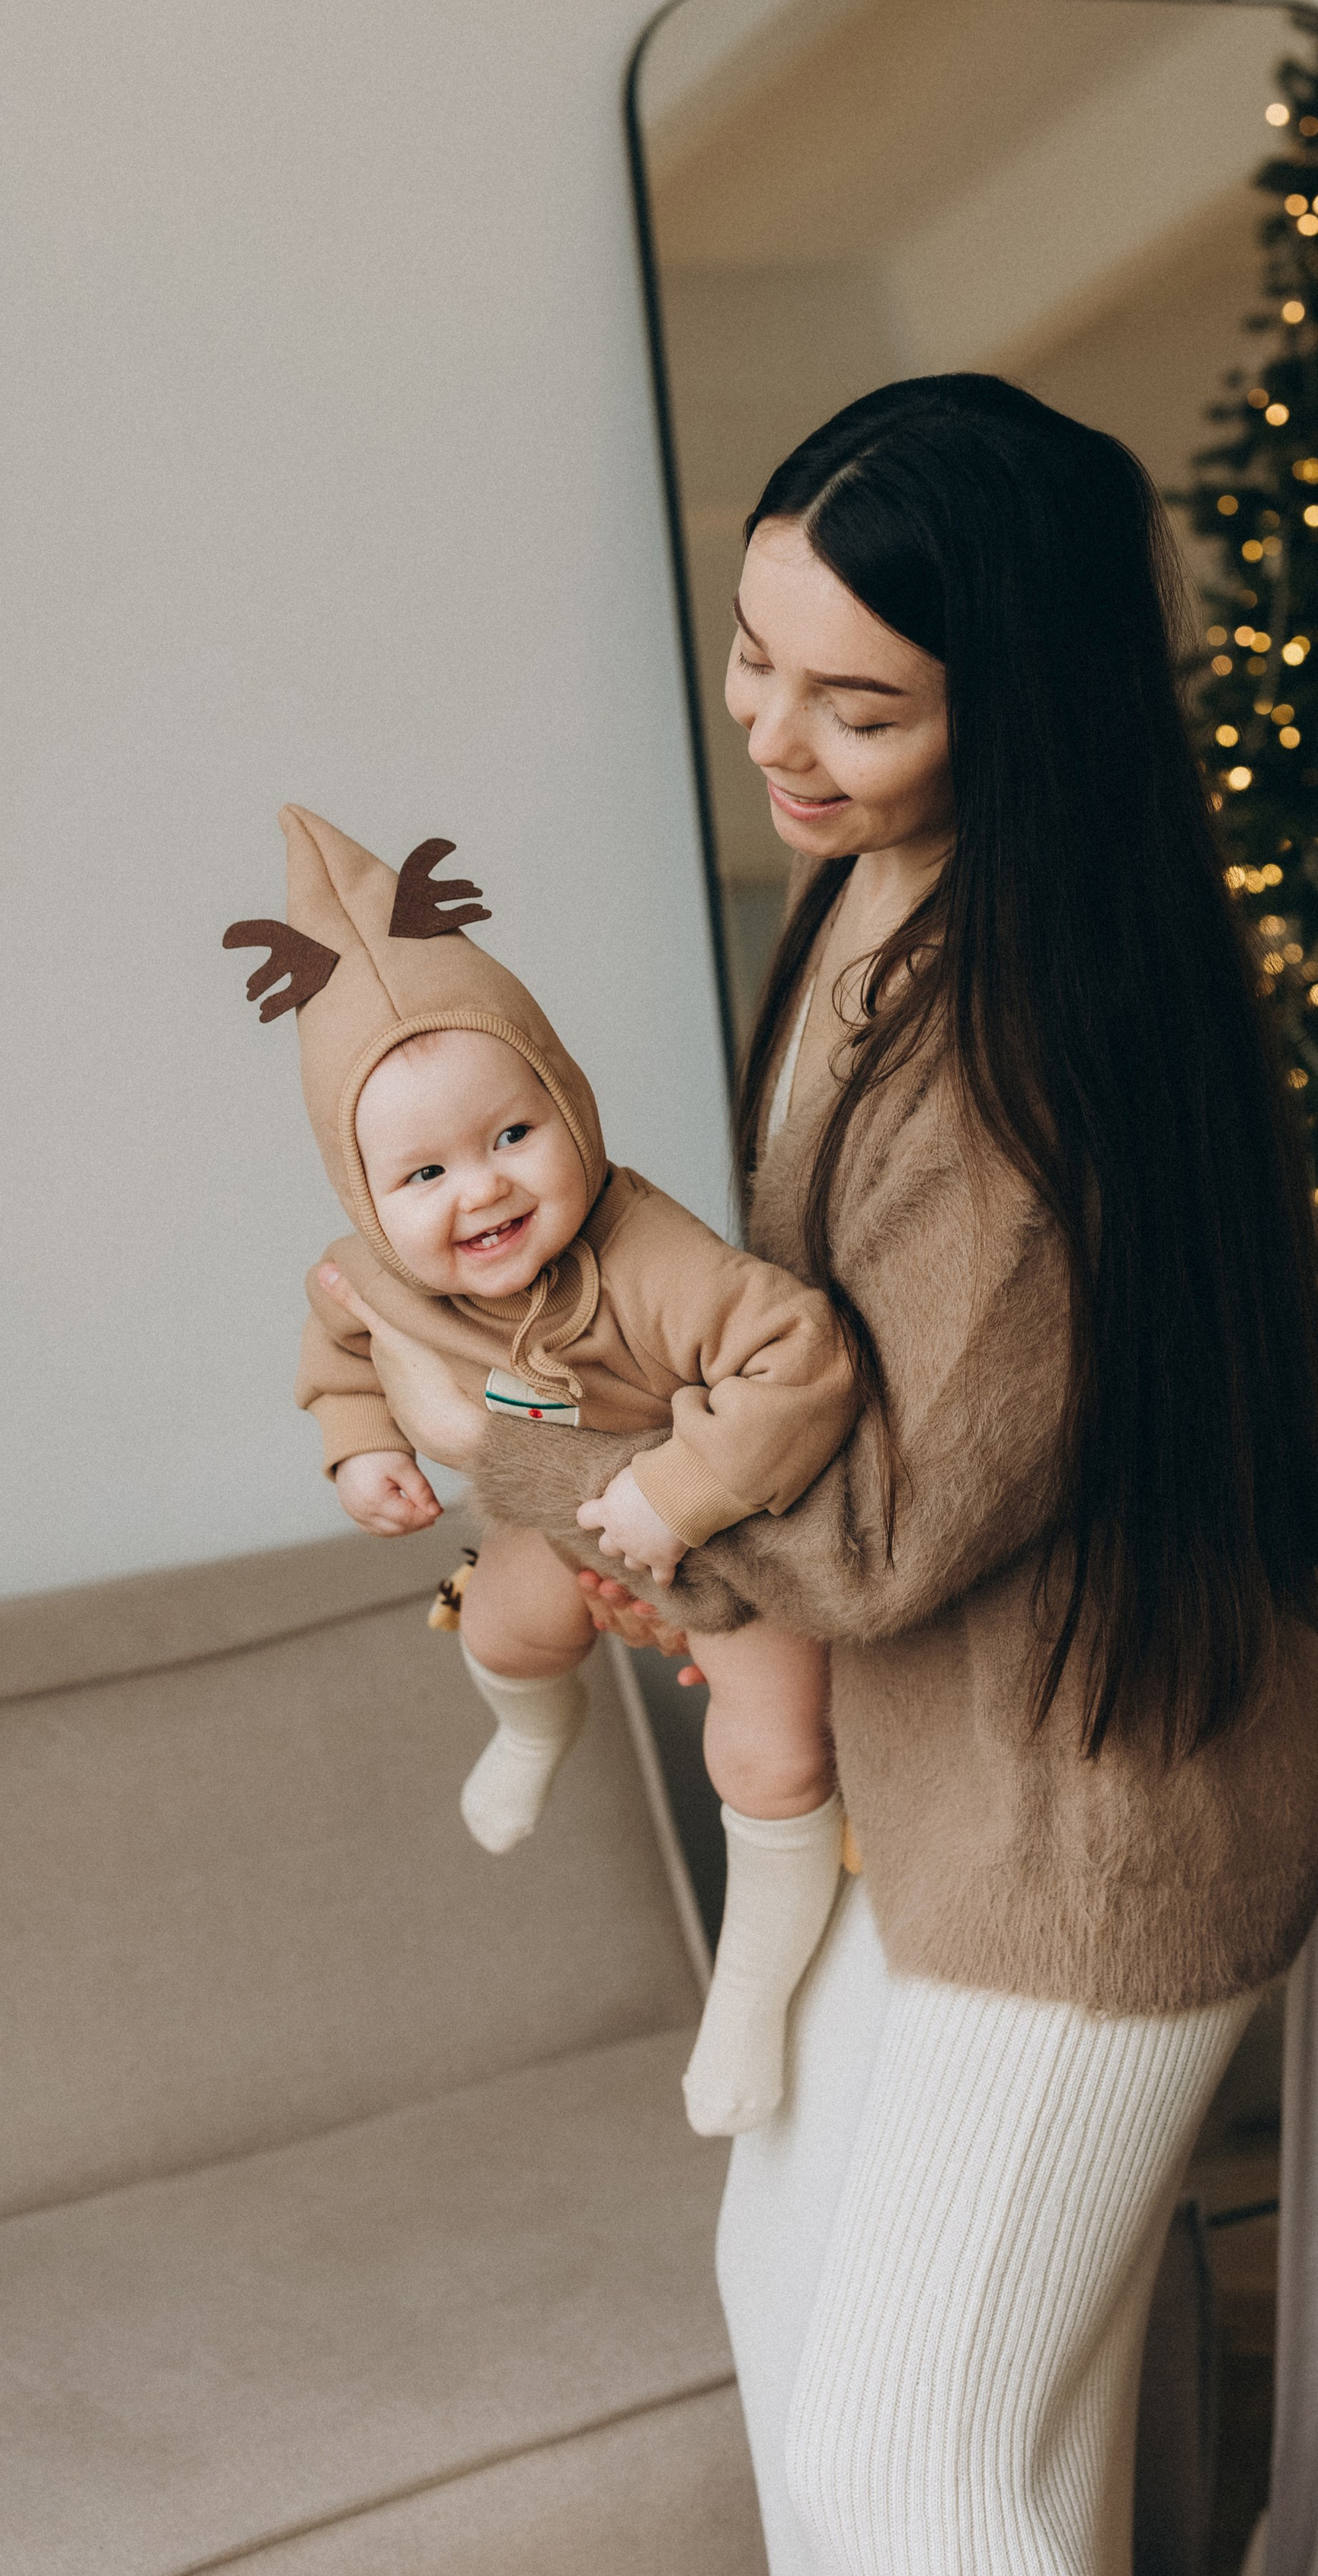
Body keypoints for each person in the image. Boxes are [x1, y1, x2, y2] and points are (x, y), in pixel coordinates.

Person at [333, 375, 1318, 2576]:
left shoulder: (1027, 1047)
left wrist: (496, 1438)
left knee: (908, 2459)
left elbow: (874, 1527)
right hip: (939, 1788)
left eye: (859, 702)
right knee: (841, 2358)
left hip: (1094, 1816)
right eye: (751, 652)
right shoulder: (877, 899)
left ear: (1024, 707)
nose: (776, 734)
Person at [224, 806, 856, 2135]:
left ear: (569, 1101)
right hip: (552, 1524)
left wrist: (679, 1491)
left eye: (513, 1134)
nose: (480, 1192)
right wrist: (361, 1451)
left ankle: (748, 1993)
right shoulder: (377, 1272)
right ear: (366, 1192)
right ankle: (534, 1724)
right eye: (423, 1172)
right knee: (507, 1625)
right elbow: (336, 1338)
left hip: (714, 1544)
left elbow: (801, 1361)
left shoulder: (647, 1256)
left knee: (776, 1739)